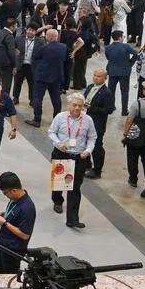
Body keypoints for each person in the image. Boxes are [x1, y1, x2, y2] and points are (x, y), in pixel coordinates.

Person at [48, 93, 97, 229]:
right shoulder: (60, 117)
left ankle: (72, 219)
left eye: (80, 106)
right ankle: (57, 200)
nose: (77, 108)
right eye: (74, 105)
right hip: (61, 154)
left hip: (79, 157)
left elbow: (92, 137)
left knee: (75, 188)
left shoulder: (88, 120)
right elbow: (51, 132)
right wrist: (58, 143)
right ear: (69, 105)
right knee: (59, 184)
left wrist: (88, 150)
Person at [0, 172, 35, 274]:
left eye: (5, 193)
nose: (5, 196)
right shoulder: (15, 199)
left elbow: (25, 235)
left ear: (14, 190)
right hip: (2, 241)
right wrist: (5, 214)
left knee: (8, 273)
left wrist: (5, 223)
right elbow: (15, 214)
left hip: (12, 248)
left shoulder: (27, 208)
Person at [26, 28, 66, 127]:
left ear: (49, 37)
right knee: (56, 99)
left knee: (37, 98)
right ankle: (57, 119)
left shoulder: (44, 48)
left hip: (42, 76)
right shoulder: (63, 47)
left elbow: (35, 56)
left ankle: (37, 119)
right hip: (56, 77)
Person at [82, 68, 116, 179]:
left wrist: (92, 108)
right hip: (85, 120)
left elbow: (109, 110)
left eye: (99, 76)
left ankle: (97, 170)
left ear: (105, 78)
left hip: (97, 124)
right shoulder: (90, 87)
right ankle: (86, 164)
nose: (96, 78)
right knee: (84, 143)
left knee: (96, 147)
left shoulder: (107, 93)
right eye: (95, 75)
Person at [104, 31, 139, 116]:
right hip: (124, 72)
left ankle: (111, 107)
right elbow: (136, 54)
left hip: (112, 71)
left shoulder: (107, 47)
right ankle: (124, 110)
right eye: (123, 37)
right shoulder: (126, 46)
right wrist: (130, 63)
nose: (123, 38)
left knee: (111, 90)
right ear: (120, 38)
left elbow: (108, 58)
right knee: (124, 92)